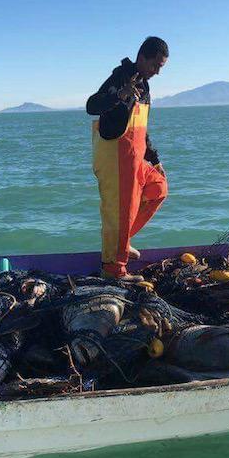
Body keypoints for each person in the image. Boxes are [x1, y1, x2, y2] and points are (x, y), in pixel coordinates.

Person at [87, 36, 169, 281]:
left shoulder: (144, 85)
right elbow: (92, 106)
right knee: (119, 211)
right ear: (142, 57)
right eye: (155, 65)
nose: (157, 72)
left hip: (135, 156)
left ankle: (122, 243)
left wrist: (154, 159)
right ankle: (114, 270)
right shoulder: (120, 78)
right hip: (114, 156)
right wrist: (119, 95)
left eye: (161, 67)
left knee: (158, 188)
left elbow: (141, 127)